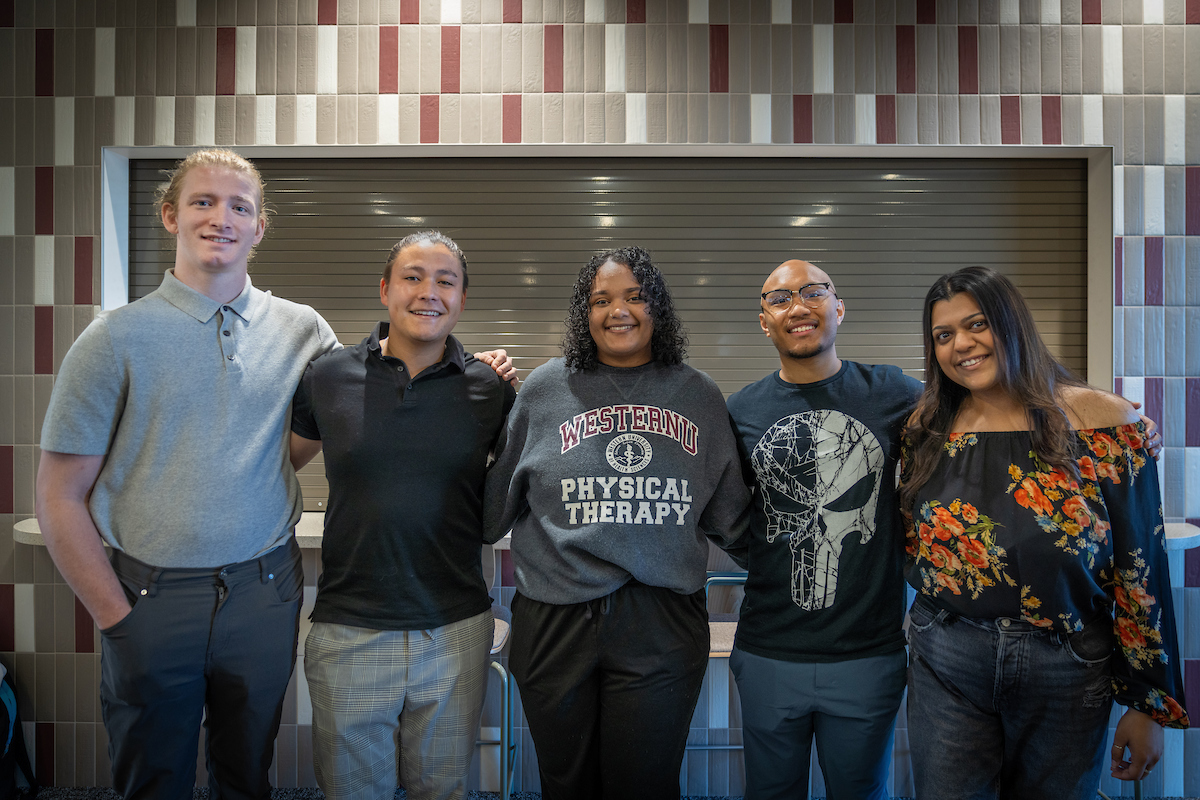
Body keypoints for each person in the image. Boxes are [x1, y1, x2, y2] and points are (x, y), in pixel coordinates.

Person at [35, 149, 341, 800]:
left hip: (265, 590)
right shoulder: (113, 338)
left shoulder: (304, 330)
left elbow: (353, 408)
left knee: (245, 776)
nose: (221, 218)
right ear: (171, 215)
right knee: (154, 780)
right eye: (203, 201)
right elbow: (60, 496)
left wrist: (471, 367)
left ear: (259, 228)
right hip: (149, 597)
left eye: (240, 206)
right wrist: (117, 618)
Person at [900, 266, 1188, 799]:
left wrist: (1149, 703)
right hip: (948, 654)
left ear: (1012, 324)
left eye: (977, 324)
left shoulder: (1104, 424)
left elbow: (1140, 567)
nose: (961, 344)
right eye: (943, 335)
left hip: (1068, 662)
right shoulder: (928, 427)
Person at [482, 246, 750, 800]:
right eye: (600, 300)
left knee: (645, 785)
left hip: (660, 617)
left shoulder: (698, 394)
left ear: (658, 309)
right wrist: (474, 410)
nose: (617, 311)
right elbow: (491, 514)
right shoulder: (543, 389)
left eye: (634, 296)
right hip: (555, 619)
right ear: (585, 313)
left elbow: (733, 520)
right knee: (565, 783)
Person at [288, 231, 516, 800]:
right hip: (349, 629)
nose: (429, 292)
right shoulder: (327, 377)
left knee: (440, 789)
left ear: (462, 299)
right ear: (385, 289)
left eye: (446, 281)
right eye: (413, 277)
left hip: (455, 629)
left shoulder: (489, 387)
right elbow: (278, 465)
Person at [724, 260, 921, 800]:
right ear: (764, 321)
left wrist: (1096, 413)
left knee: (861, 791)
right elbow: (726, 514)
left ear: (838, 306)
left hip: (869, 651)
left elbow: (987, 397)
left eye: (812, 292)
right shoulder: (739, 411)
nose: (798, 306)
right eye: (780, 298)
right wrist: (767, 551)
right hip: (768, 649)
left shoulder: (892, 391)